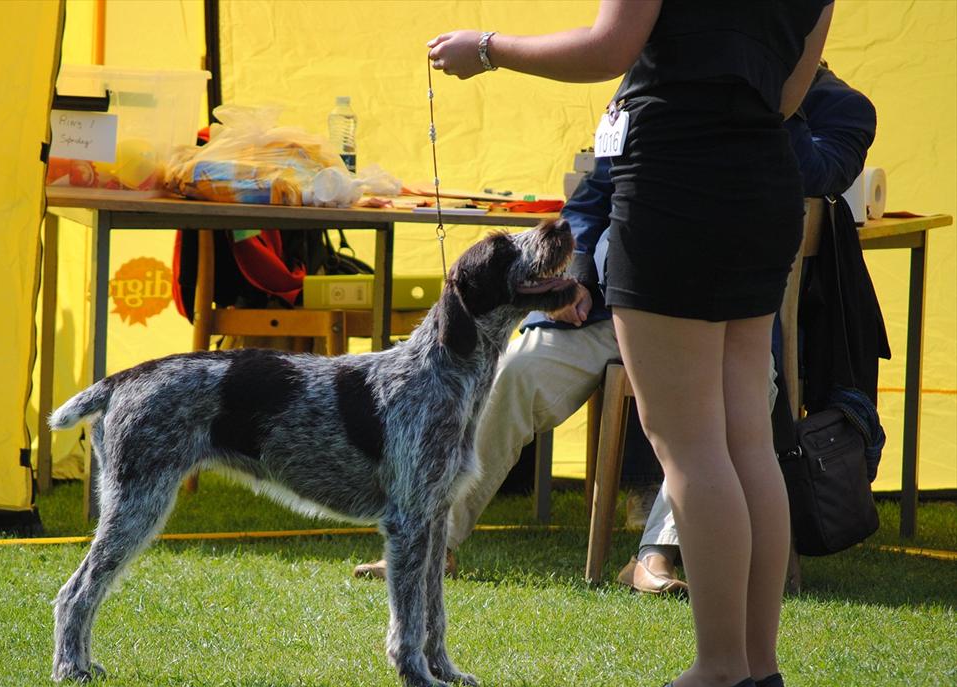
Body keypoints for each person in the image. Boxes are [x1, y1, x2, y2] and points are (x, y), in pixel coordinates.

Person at [424, 1, 835, 687]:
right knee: (745, 442)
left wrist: (487, 49)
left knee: (690, 445)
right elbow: (790, 92)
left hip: (677, 178)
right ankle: (758, 666)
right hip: (764, 182)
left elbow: (609, 46)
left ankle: (719, 669)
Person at [354, 63, 875, 599]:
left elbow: (815, 176)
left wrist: (772, 99)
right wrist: (573, 280)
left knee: (725, 404)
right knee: (517, 372)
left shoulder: (843, 109)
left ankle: (654, 556)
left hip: (723, 328)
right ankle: (434, 543)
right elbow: (594, 193)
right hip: (608, 309)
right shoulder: (659, 79)